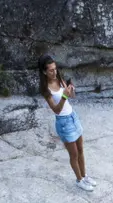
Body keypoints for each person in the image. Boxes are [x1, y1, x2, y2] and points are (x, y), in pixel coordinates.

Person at [38, 55, 94, 192]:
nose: (54, 72)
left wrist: (70, 91)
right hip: (63, 122)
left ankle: (84, 176)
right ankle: (79, 180)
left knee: (81, 150)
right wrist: (64, 96)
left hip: (73, 116)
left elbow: (71, 98)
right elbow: (56, 110)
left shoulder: (59, 79)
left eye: (55, 69)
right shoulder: (46, 89)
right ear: (44, 72)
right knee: (74, 154)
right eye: (51, 70)